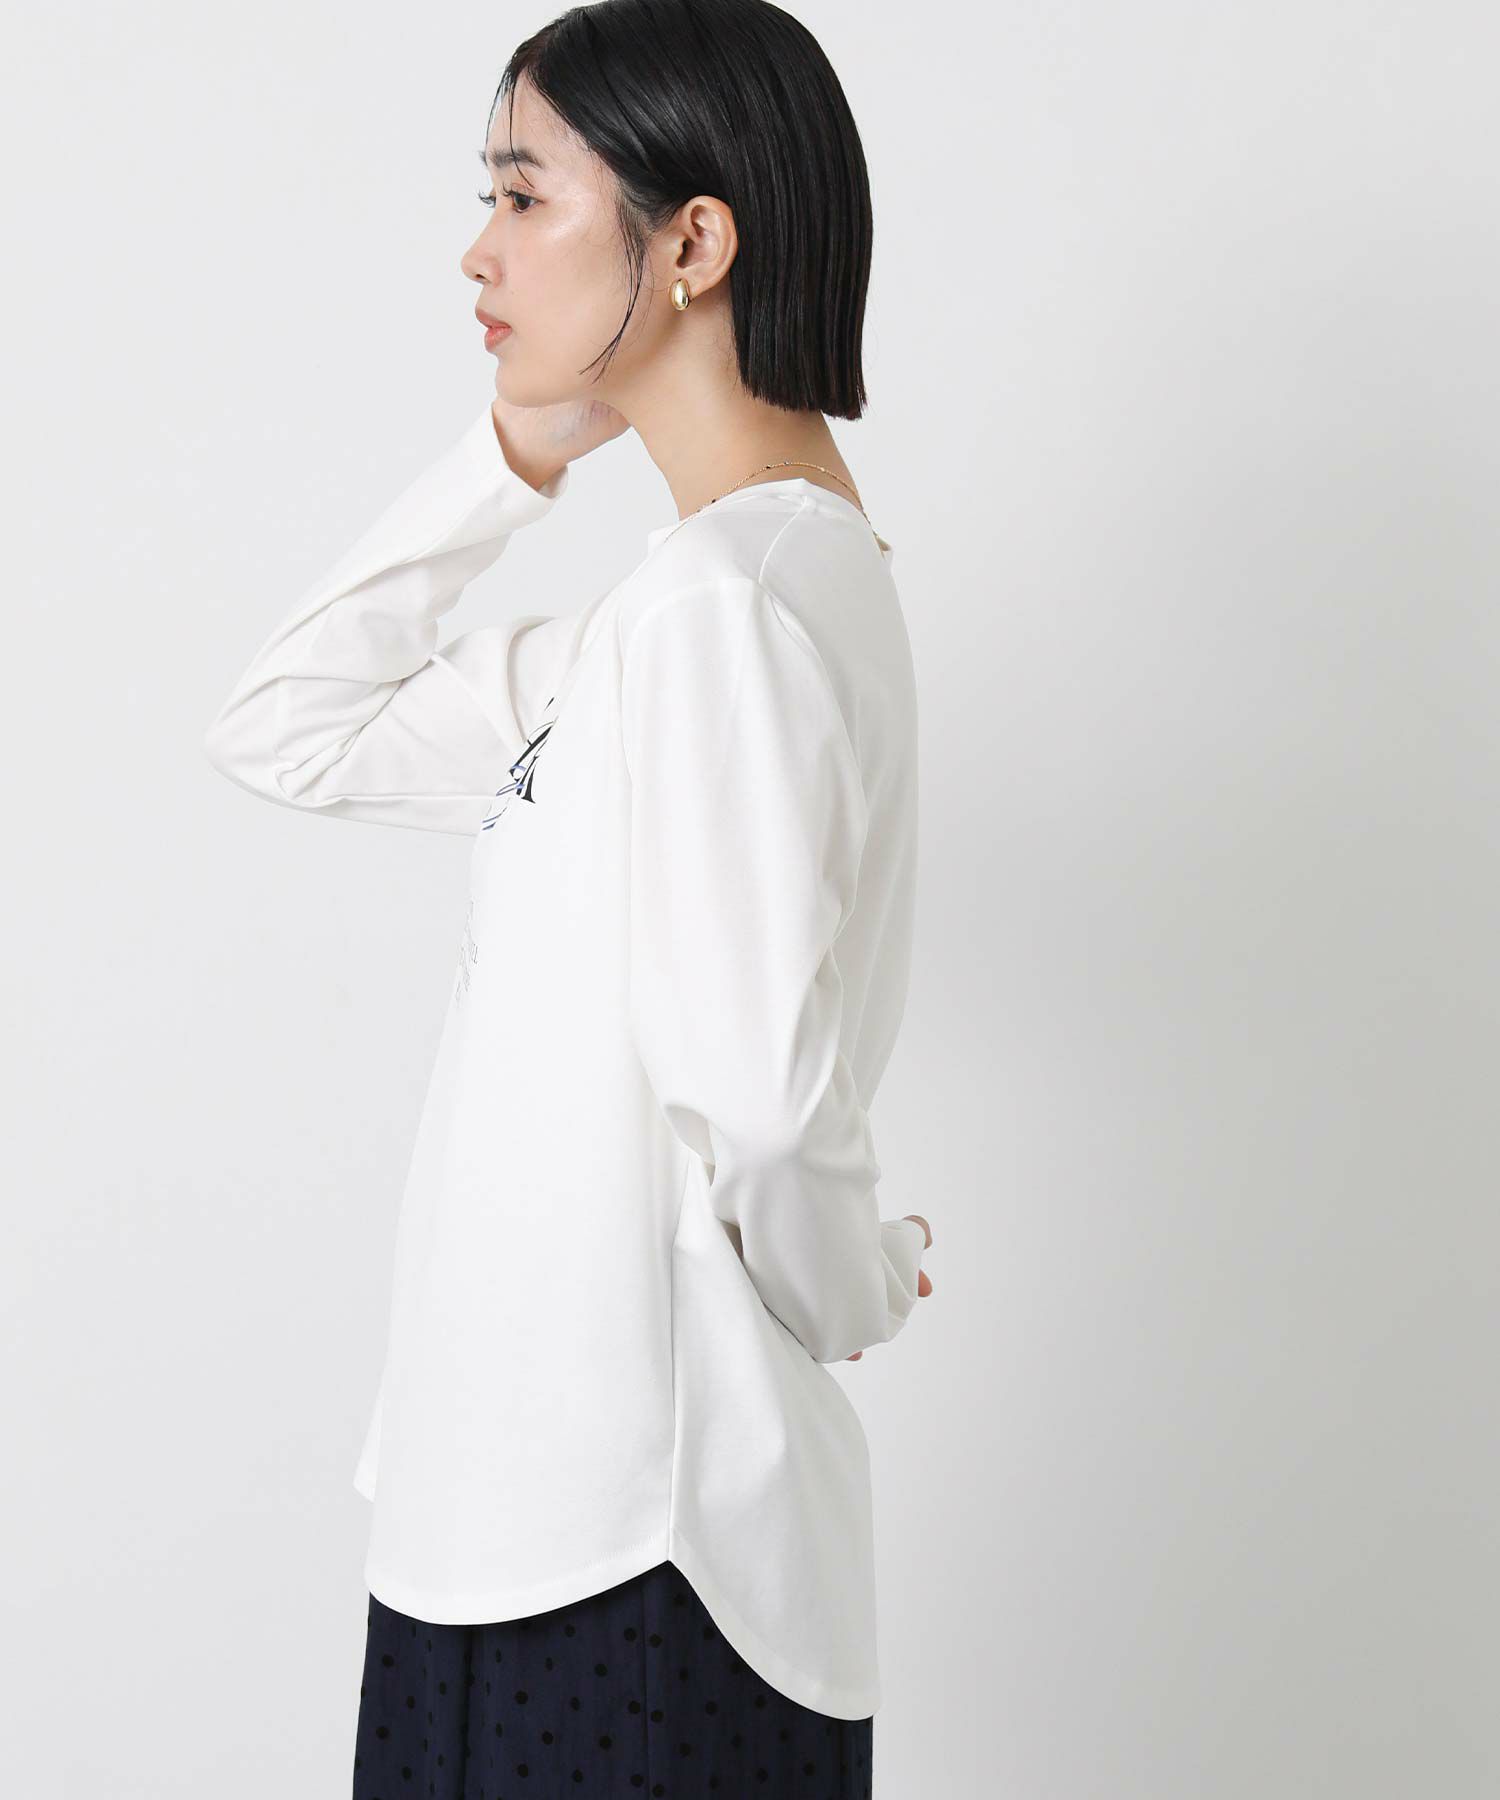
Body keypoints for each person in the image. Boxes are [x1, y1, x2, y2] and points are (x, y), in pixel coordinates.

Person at [202, 1, 935, 1793]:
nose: (481, 248)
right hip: (523, 1525)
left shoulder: (720, 611)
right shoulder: (666, 620)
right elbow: (289, 724)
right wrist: (512, 454)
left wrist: (851, 1280)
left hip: (625, 1557)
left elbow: (763, 1098)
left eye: (526, 196)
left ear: (694, 244)